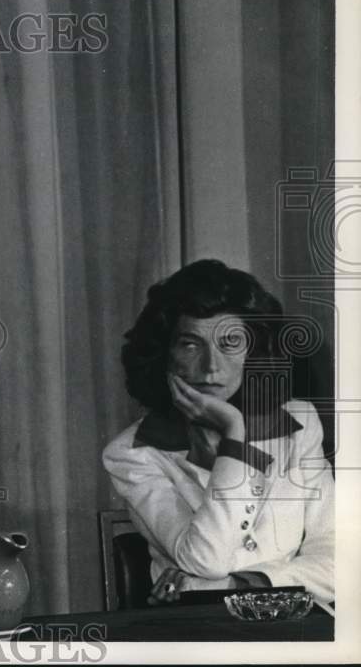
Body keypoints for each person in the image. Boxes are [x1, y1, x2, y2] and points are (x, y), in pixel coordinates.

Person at [102, 259, 333, 606]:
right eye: (190, 345)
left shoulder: (298, 425)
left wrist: (244, 583)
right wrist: (233, 433)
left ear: (252, 351)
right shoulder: (131, 453)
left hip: (288, 624)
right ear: (164, 355)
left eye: (230, 343)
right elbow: (206, 560)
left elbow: (339, 557)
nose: (211, 366)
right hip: (195, 627)